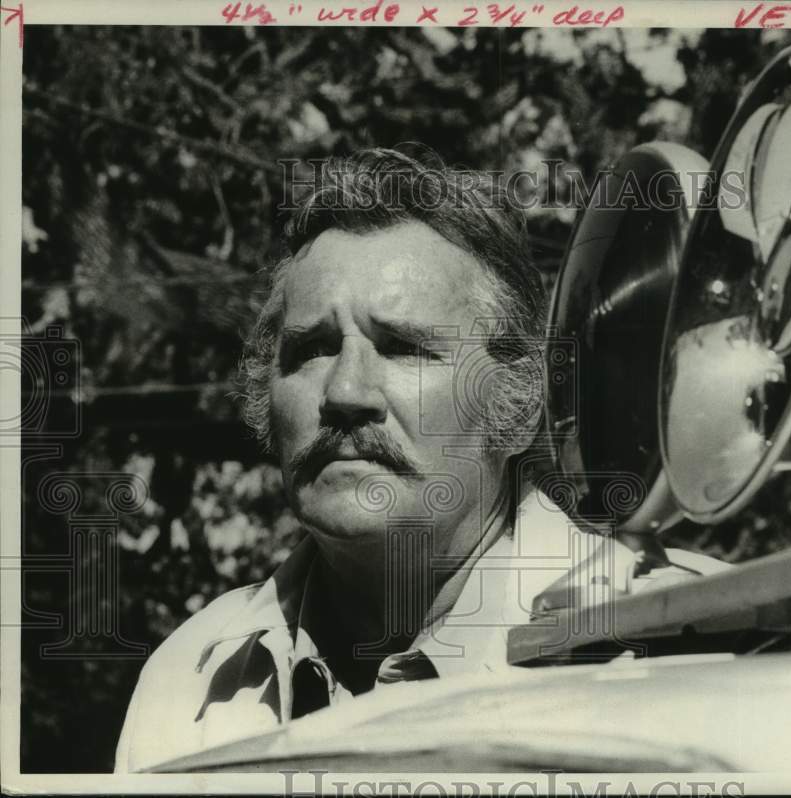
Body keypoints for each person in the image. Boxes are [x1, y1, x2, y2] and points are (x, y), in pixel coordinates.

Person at [114, 148, 726, 772]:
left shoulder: (687, 646)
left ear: (516, 406)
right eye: (313, 349)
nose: (346, 392)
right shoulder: (187, 682)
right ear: (264, 396)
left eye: (404, 348)